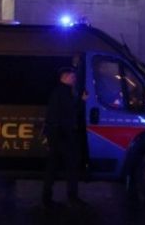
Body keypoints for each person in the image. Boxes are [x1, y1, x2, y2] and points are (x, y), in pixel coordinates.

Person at [43, 64, 87, 207]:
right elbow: (71, 112)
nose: (74, 79)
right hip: (63, 135)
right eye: (72, 76)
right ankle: (71, 196)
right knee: (71, 166)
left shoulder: (58, 92)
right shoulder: (64, 93)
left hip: (56, 134)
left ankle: (47, 197)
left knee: (53, 167)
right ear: (65, 77)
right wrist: (82, 101)